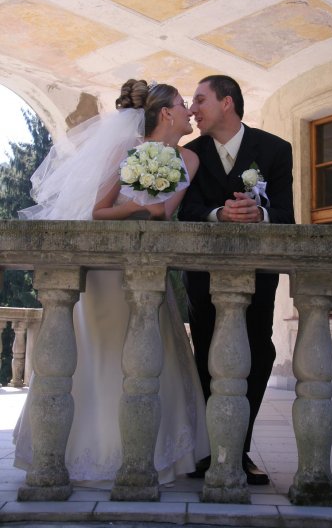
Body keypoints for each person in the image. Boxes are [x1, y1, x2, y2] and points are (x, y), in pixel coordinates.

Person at [14, 79, 210, 485]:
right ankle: (83, 451)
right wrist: (137, 208)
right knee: (98, 353)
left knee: (148, 353)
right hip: (106, 271)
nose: (189, 110)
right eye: (182, 103)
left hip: (148, 267)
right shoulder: (124, 151)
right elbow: (97, 211)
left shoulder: (189, 158)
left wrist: (152, 210)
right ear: (166, 113)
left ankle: (145, 452)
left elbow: (166, 211)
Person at [178, 75, 295, 485]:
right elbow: (184, 211)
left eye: (200, 99)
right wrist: (218, 214)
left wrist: (259, 214)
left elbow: (286, 215)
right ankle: (211, 450)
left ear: (226, 102)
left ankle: (238, 450)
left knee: (259, 353)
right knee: (206, 355)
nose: (192, 109)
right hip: (203, 277)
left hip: (258, 275)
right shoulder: (188, 154)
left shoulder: (276, 150)